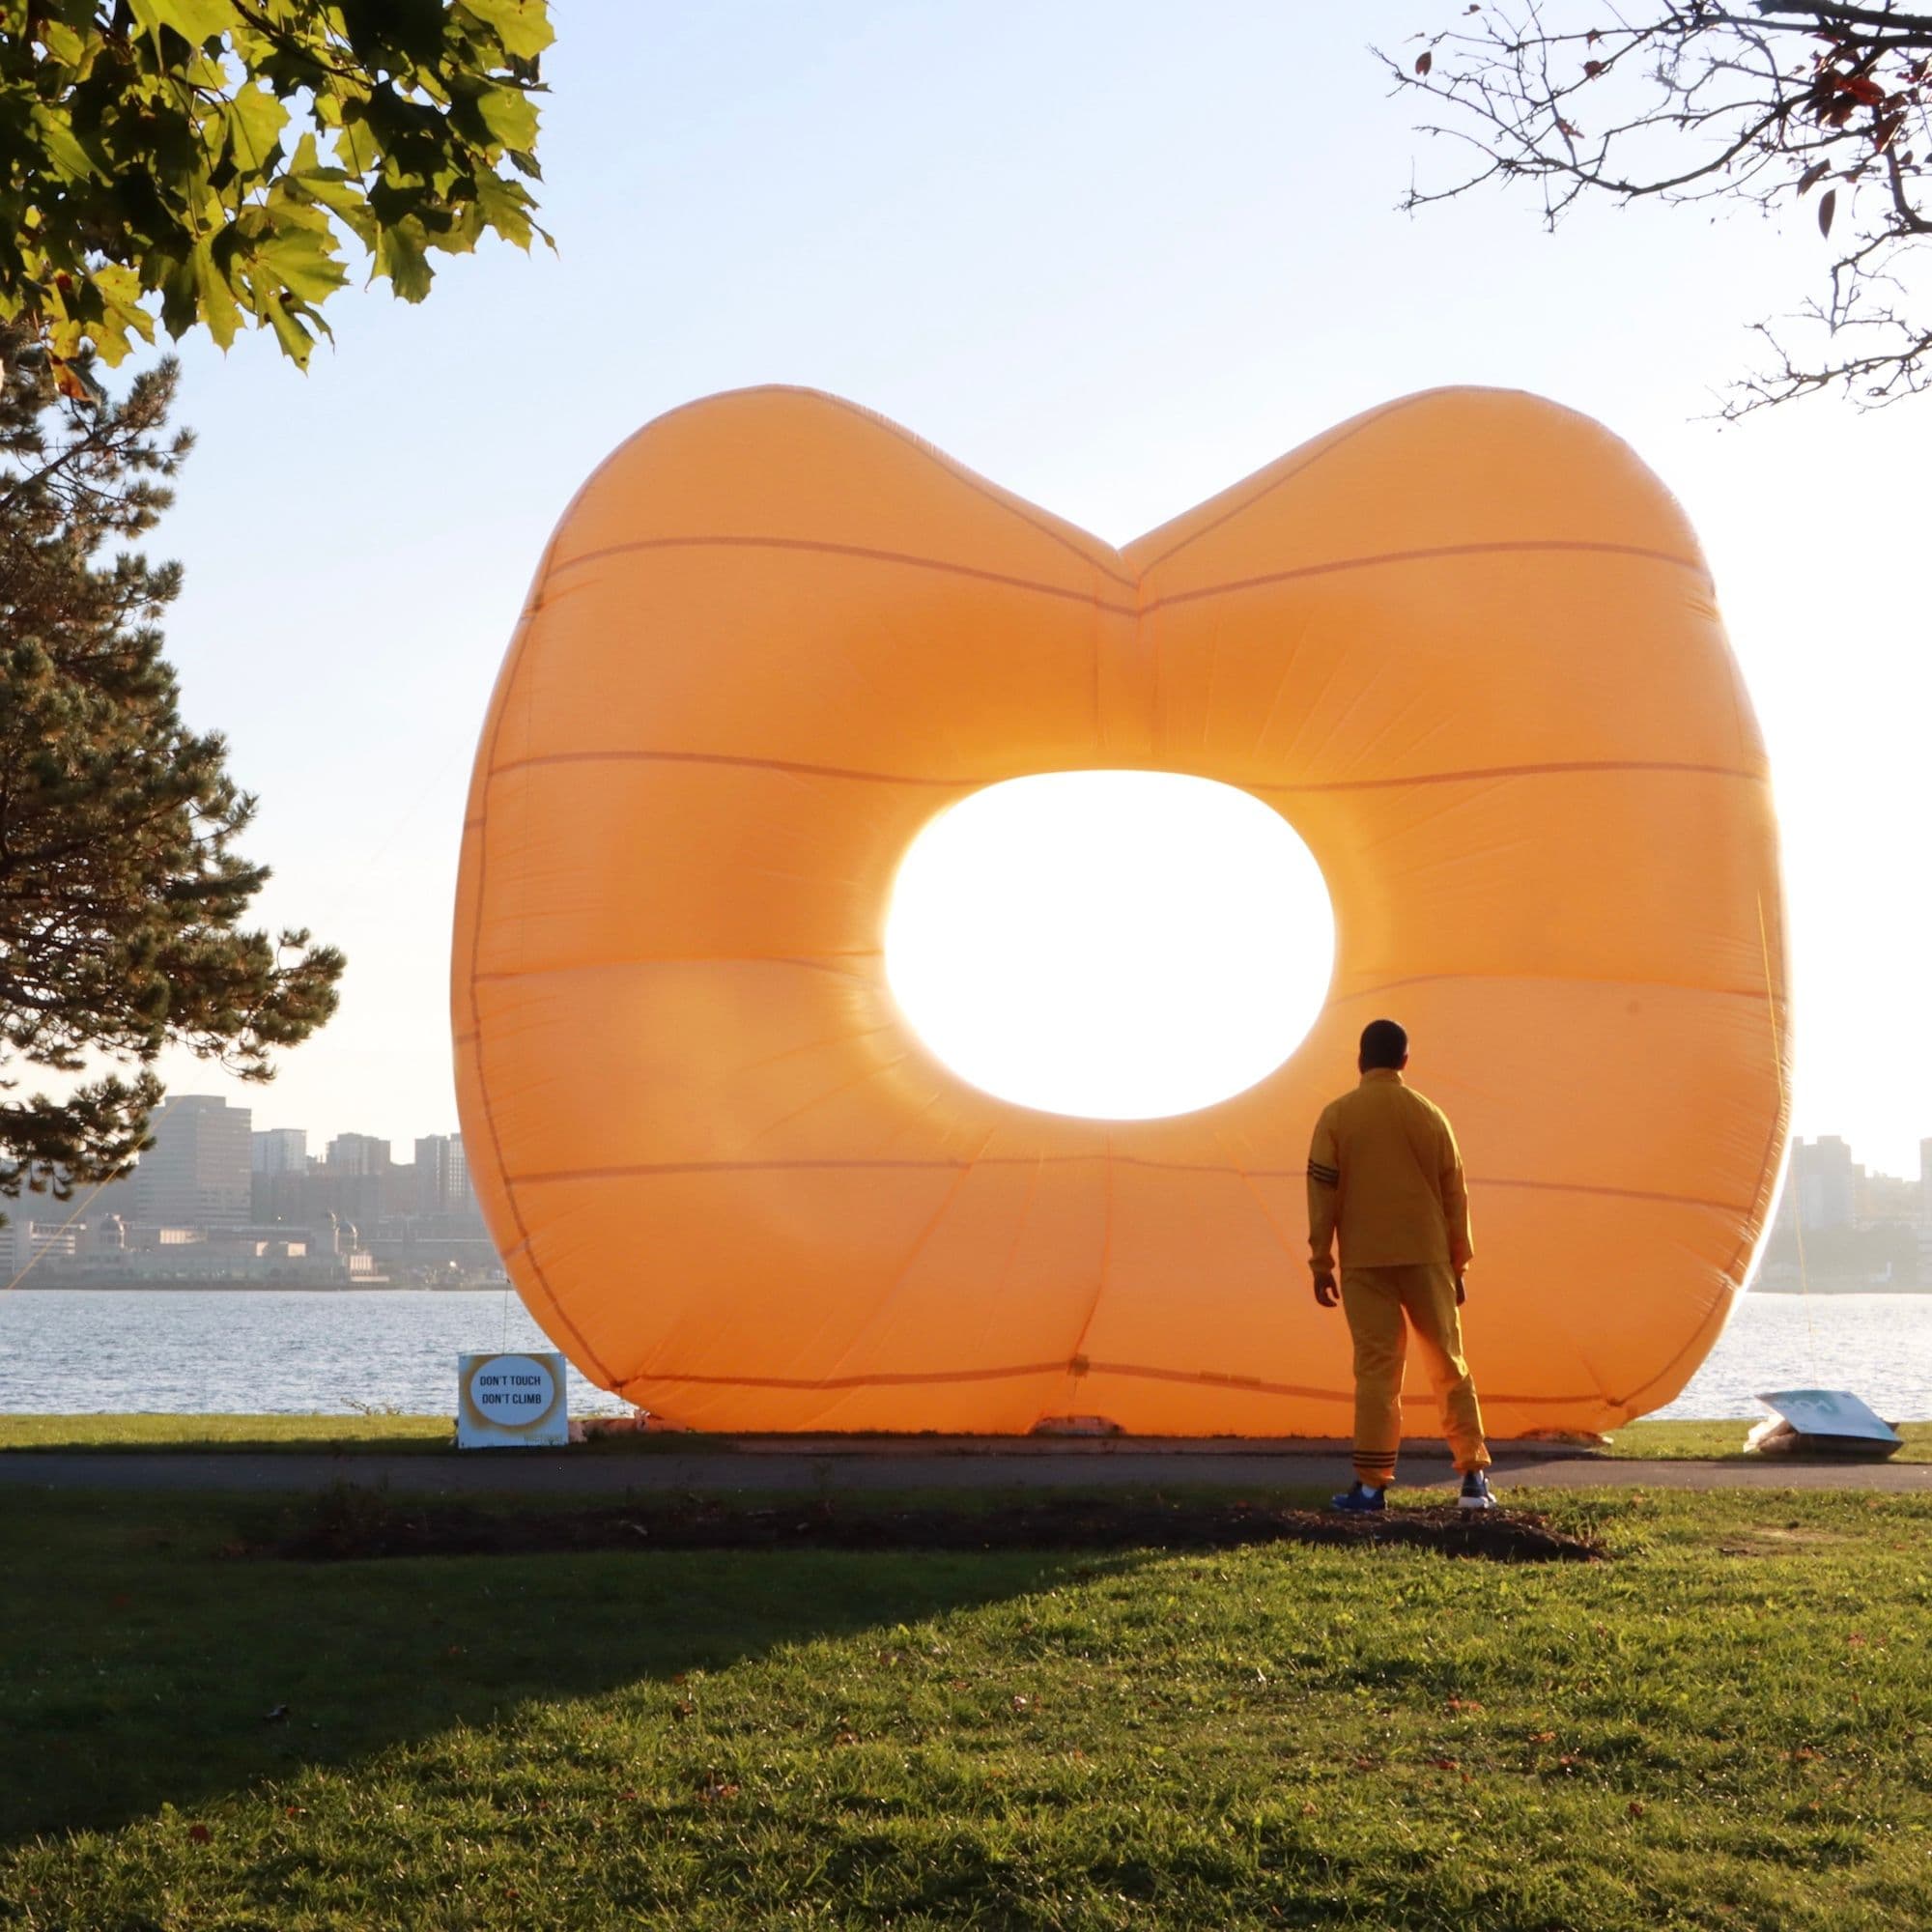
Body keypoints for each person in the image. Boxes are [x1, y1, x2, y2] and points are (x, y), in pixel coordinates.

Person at [1306, 1018, 1495, 1513]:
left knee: (1376, 1373)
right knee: (1449, 1364)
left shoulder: (1337, 1116)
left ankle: (1370, 1487)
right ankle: (1474, 1479)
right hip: (1427, 1256)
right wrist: (1459, 1266)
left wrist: (1321, 1260)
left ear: (1359, 1060)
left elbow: (1321, 1194)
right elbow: (1457, 1195)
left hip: (1365, 1262)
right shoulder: (1431, 1116)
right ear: (1405, 1062)